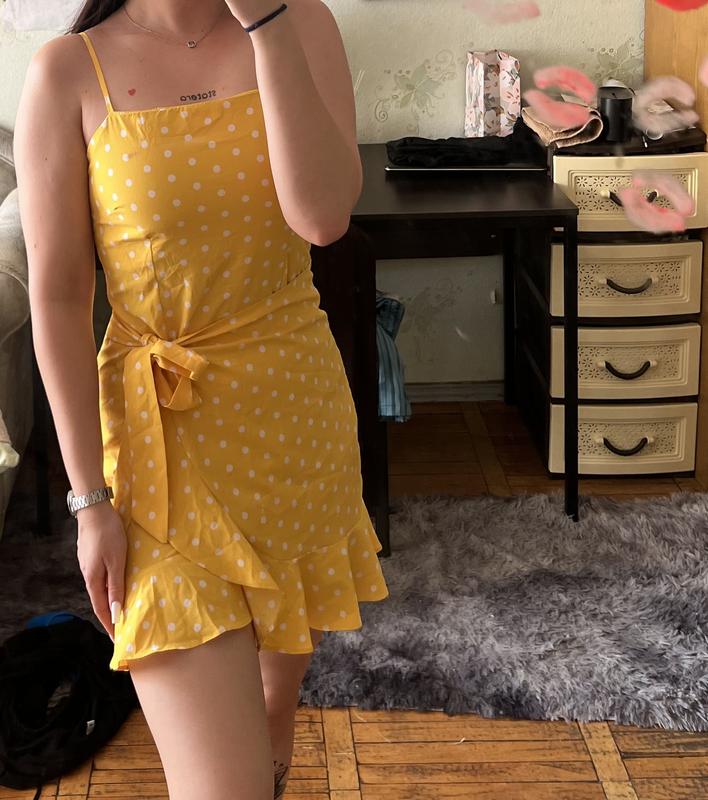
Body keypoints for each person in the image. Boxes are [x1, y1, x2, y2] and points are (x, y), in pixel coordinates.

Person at [12, 1, 390, 797]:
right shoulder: (68, 72)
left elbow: (323, 218)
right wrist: (88, 502)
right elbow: (59, 300)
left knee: (272, 714)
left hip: (296, 426)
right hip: (159, 457)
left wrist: (267, 22)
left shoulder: (300, 24)